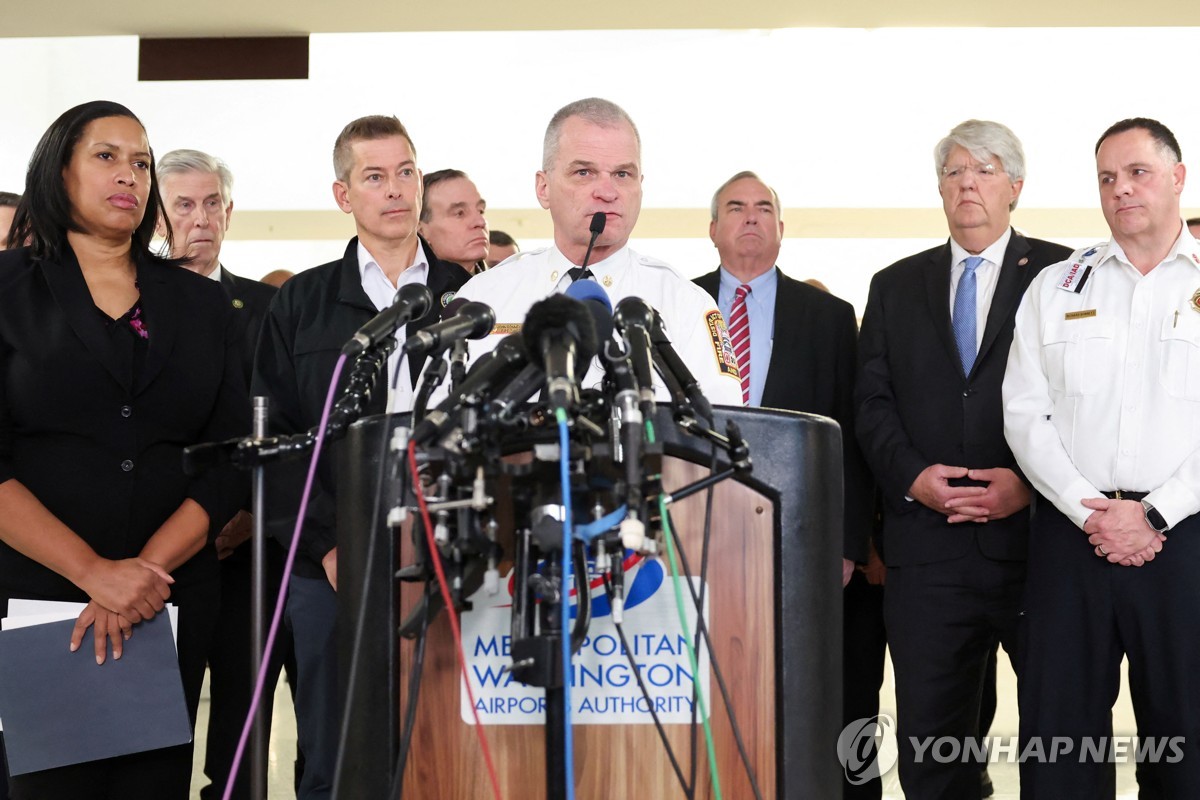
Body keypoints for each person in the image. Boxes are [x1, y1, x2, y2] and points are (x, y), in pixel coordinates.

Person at [0, 100, 245, 798]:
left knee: (151, 783)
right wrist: (93, 573)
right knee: (49, 784)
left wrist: (141, 574)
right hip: (41, 593)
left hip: (165, 595)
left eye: (141, 162)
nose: (129, 175)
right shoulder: (7, 290)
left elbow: (226, 457)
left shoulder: (202, 306)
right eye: (106, 156)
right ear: (60, 170)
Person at [251, 114, 469, 800]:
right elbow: (277, 443)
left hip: (451, 558)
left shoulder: (473, 292)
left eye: (406, 172)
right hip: (329, 571)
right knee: (336, 757)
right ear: (345, 195)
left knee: (446, 750)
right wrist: (328, 547)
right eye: (375, 177)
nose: (396, 189)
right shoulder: (302, 303)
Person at [855, 119, 1072, 798]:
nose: (967, 184)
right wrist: (914, 478)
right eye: (953, 172)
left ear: (1015, 185)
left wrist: (1033, 486)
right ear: (940, 190)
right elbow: (872, 404)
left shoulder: (1067, 274)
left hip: (1040, 548)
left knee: (1060, 739)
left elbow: (1086, 400)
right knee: (932, 751)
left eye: (984, 169)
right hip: (927, 555)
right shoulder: (894, 286)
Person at [1004, 117, 1200, 797]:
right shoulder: (1059, 286)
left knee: (1188, 743)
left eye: (1138, 173)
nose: (1121, 190)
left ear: (1177, 178)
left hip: (1186, 539)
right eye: (1107, 179)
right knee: (1060, 745)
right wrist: (1092, 510)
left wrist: (1156, 512)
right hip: (1071, 535)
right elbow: (1025, 412)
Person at [692, 171, 878, 797]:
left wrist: (848, 543)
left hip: (803, 539)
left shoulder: (828, 316)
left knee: (822, 699)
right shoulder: (676, 304)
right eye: (735, 208)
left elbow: (852, 435)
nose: (750, 218)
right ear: (712, 228)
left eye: (763, 207)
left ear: (780, 226)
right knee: (717, 695)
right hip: (698, 540)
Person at [156, 147, 299, 800]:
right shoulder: (125, 302)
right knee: (155, 729)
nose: (202, 217)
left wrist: (244, 515)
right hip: (154, 553)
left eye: (213, 202)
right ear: (158, 215)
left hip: (250, 552)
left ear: (230, 211)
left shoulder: (271, 307)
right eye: (184, 204)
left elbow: (288, 427)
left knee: (244, 727)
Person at [451, 97, 743, 406]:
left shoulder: (685, 304)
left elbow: (721, 429)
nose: (607, 192)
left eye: (622, 174)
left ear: (640, 186)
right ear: (544, 187)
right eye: (584, 172)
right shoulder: (484, 298)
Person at [419, 168, 489, 274]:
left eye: (480, 211)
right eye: (460, 213)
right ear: (421, 232)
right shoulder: (404, 287)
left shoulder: (508, 287)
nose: (480, 222)